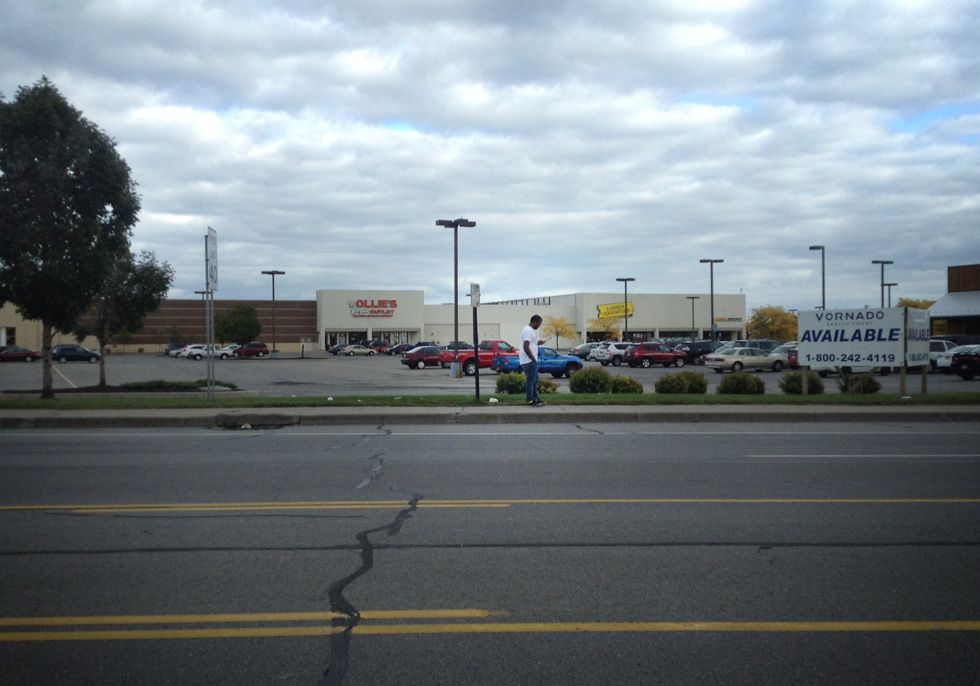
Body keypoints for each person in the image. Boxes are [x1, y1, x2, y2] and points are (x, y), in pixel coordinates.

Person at [520, 314, 544, 406]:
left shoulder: (529, 330)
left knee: (534, 380)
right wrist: (533, 359)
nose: (539, 326)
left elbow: (530, 344)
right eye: (539, 323)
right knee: (531, 381)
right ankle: (530, 400)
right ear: (535, 322)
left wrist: (538, 343)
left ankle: (536, 399)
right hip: (529, 361)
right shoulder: (528, 330)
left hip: (529, 361)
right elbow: (525, 346)